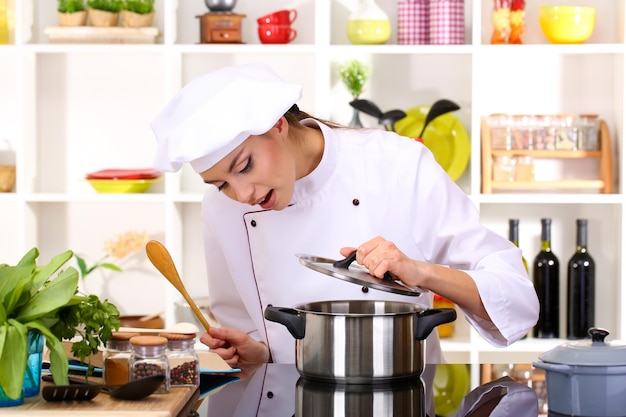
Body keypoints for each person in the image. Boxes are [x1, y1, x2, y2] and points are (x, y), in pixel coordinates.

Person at [150, 62, 539, 368]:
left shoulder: (396, 164)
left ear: (278, 125)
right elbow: (251, 335)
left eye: (245, 165)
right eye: (220, 184)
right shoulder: (223, 208)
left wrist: (422, 273)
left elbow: (517, 301)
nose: (242, 194)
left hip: (401, 397)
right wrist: (257, 356)